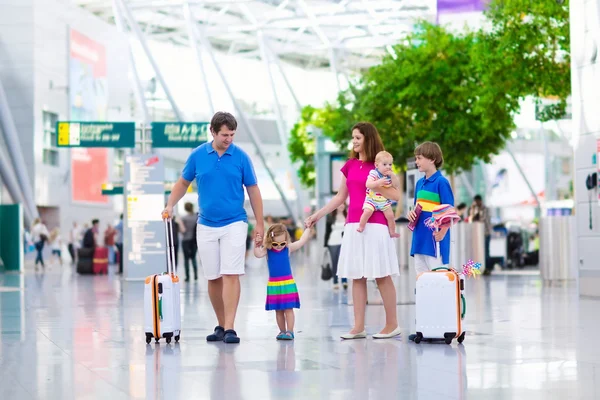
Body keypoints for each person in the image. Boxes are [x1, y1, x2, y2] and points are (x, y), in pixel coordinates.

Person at [162, 111, 264, 344]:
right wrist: (169, 205)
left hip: (235, 222)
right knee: (213, 277)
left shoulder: (241, 157)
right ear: (213, 131)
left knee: (231, 273)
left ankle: (230, 327)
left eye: (232, 134)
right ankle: (220, 324)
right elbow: (183, 183)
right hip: (206, 224)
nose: (229, 139)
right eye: (225, 135)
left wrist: (259, 222)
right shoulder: (198, 155)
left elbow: (253, 189)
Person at [305, 122, 401, 340]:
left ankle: (392, 324)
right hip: (353, 225)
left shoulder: (381, 166)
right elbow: (340, 197)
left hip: (376, 224)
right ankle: (358, 327)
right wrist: (317, 215)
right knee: (357, 275)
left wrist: (377, 185)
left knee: (381, 275)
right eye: (353, 137)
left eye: (358, 137)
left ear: (368, 138)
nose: (354, 141)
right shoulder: (349, 165)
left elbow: (396, 196)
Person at [407, 141, 454, 341]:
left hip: (435, 243)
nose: (416, 161)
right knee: (422, 284)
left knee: (437, 282)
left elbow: (450, 211)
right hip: (419, 240)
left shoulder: (441, 182)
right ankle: (425, 327)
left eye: (419, 158)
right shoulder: (419, 183)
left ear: (432, 159)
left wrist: (443, 232)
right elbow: (419, 207)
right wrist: (411, 214)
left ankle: (442, 326)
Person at [253, 223, 312, 340]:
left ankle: (290, 331)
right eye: (275, 244)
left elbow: (301, 241)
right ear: (270, 241)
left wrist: (308, 229)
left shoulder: (288, 248)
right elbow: (258, 254)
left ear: (286, 240)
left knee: (288, 309)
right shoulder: (267, 250)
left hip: (287, 283)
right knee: (278, 311)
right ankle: (282, 331)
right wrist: (257, 244)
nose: (279, 246)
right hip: (274, 284)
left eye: (282, 243)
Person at [358, 150, 400, 238]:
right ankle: (361, 226)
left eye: (390, 164)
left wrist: (393, 176)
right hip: (372, 199)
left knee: (391, 216)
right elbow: (368, 184)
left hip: (384, 201)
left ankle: (392, 232)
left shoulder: (390, 176)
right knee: (367, 211)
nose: (388, 167)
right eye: (385, 164)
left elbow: (396, 185)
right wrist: (378, 182)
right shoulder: (374, 173)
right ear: (377, 165)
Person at [325, 203, 348, 290]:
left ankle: (344, 281)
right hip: (333, 242)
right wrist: (325, 245)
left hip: (344, 242)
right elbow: (327, 232)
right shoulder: (331, 217)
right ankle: (335, 281)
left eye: (342, 204)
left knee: (343, 261)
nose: (341, 206)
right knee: (335, 262)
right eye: (339, 204)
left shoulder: (347, 215)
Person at [469, 194, 492, 274]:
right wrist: (472, 209)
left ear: (480, 201)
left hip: (486, 233)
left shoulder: (485, 209)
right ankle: (479, 268)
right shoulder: (476, 209)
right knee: (478, 252)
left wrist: (475, 215)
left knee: (486, 251)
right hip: (479, 234)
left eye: (477, 201)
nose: (476, 203)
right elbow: (471, 219)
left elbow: (481, 219)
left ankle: (487, 268)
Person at [181, 202, 199, 282]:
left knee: (186, 259)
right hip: (194, 240)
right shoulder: (196, 217)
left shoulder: (184, 218)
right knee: (193, 258)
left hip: (186, 240)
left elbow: (183, 230)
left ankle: (187, 277)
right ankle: (195, 275)